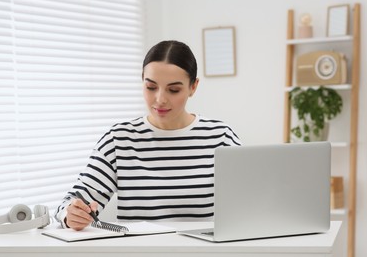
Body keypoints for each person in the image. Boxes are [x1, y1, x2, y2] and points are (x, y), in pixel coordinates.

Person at [54, 40, 241, 230]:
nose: (160, 99)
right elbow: (71, 202)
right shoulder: (119, 140)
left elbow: (252, 203)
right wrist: (71, 214)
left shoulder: (220, 138)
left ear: (193, 87)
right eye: (151, 87)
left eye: (173, 90)